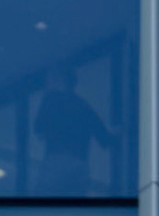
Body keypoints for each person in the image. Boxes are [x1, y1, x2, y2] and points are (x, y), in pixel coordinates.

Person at [33, 66, 113, 194]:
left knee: (43, 203)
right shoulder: (84, 106)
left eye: (51, 79)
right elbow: (104, 138)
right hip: (80, 164)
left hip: (57, 159)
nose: (47, 83)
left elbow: (39, 129)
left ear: (60, 81)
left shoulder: (51, 98)